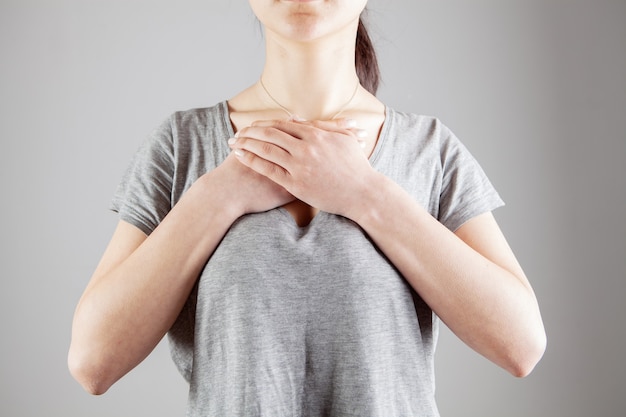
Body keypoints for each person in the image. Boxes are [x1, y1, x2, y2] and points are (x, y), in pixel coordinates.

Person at [68, 1, 546, 415]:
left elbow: (521, 345)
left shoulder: (430, 150)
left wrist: (365, 194)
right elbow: (93, 362)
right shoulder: (182, 145)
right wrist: (220, 194)